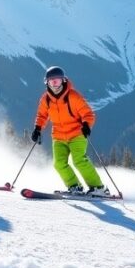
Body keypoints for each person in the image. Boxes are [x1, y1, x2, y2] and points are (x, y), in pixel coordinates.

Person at [31, 66, 109, 195]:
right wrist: (37, 128)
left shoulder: (73, 96)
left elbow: (88, 113)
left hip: (76, 134)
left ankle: (98, 187)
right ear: (47, 83)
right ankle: (74, 186)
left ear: (63, 80)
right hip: (58, 136)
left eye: (57, 81)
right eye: (51, 81)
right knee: (59, 163)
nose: (55, 84)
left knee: (79, 160)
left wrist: (86, 124)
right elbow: (42, 115)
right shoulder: (46, 99)